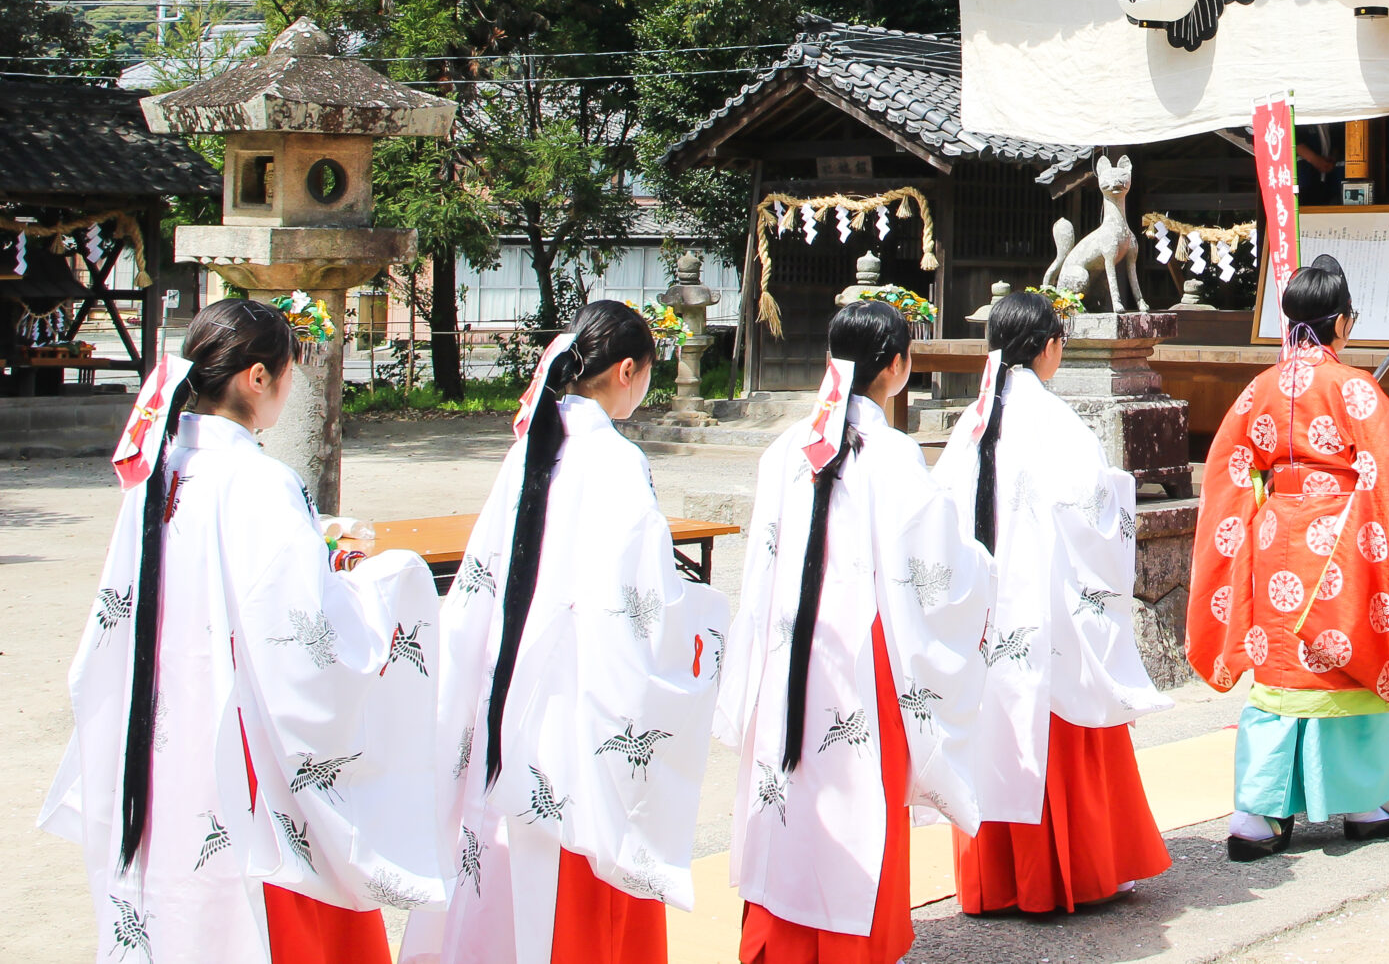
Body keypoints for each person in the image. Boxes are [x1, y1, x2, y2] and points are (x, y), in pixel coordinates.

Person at [43, 298, 445, 963]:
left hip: (163, 739)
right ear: (258, 377)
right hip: (245, 747)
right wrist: (386, 582)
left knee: (179, 906)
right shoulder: (260, 480)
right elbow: (309, 641)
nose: (289, 386)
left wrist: (312, 543)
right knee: (270, 916)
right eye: (288, 372)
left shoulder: (160, 470)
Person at [401, 300, 729, 964]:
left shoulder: (530, 447)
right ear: (628, 370)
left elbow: (478, 587)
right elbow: (643, 606)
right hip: (576, 714)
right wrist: (704, 622)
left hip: (508, 700)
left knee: (502, 870)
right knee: (577, 884)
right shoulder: (615, 460)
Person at [717, 301, 994, 963]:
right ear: (896, 366)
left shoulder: (786, 447)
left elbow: (760, 568)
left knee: (786, 791)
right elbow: (937, 566)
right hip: (864, 664)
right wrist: (983, 569)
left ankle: (777, 943)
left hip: (788, 650)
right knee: (858, 799)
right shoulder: (892, 454)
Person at [1189, 255, 1389, 859]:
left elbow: (1227, 466)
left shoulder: (1260, 387)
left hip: (1275, 534)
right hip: (1342, 534)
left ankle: (1256, 814)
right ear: (1343, 323)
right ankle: (1362, 802)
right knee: (1345, 657)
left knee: (1279, 667)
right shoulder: (1353, 386)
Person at [932, 290, 1168, 916]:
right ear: (1048, 348)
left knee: (993, 729)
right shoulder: (1059, 423)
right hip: (1049, 612)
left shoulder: (971, 423)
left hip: (989, 614)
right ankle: (1069, 873)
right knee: (1061, 721)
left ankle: (996, 880)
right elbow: (1096, 516)